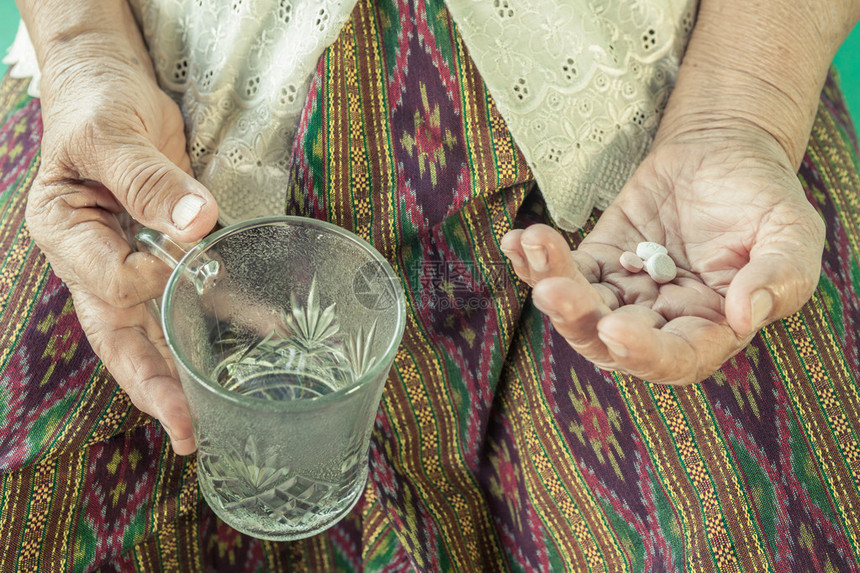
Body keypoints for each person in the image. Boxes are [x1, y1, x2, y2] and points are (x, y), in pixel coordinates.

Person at [0, 0, 858, 569]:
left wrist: (743, 109)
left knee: (747, 539)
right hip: (157, 119)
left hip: (657, 126)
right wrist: (81, 53)